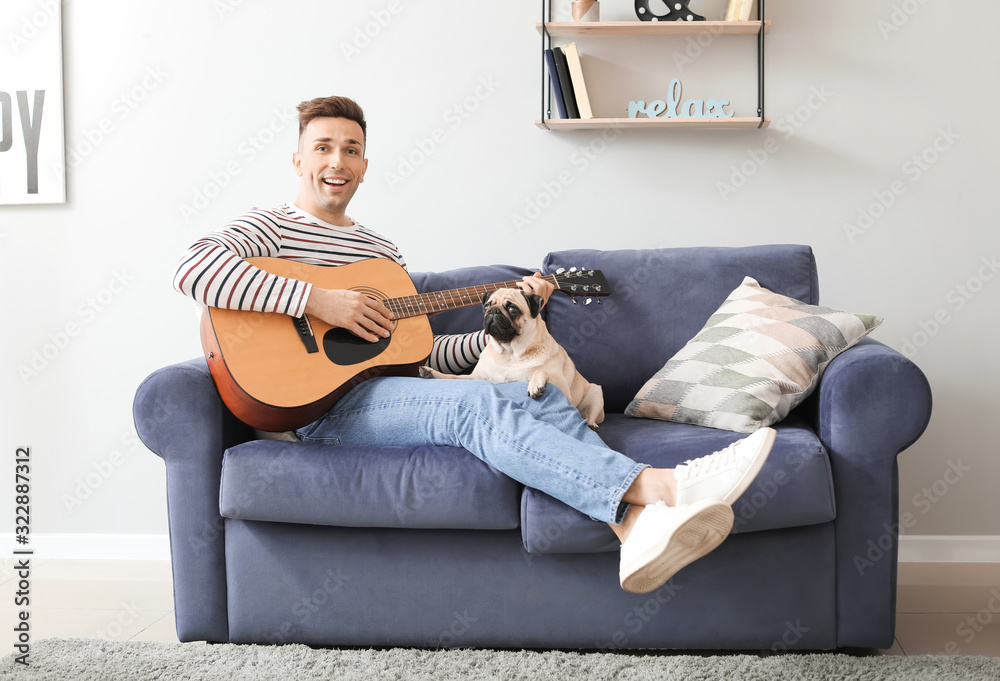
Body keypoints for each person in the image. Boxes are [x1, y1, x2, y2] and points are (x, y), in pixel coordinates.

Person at [173, 95, 775, 594]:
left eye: (351, 150)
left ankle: (634, 530)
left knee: (537, 400)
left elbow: (418, 355)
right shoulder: (268, 229)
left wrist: (509, 325)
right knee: (476, 405)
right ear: (299, 159)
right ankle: (666, 488)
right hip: (312, 409)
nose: (337, 161)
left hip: (386, 393)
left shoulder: (383, 256)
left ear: (364, 164)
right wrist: (322, 302)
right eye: (324, 148)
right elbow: (193, 269)